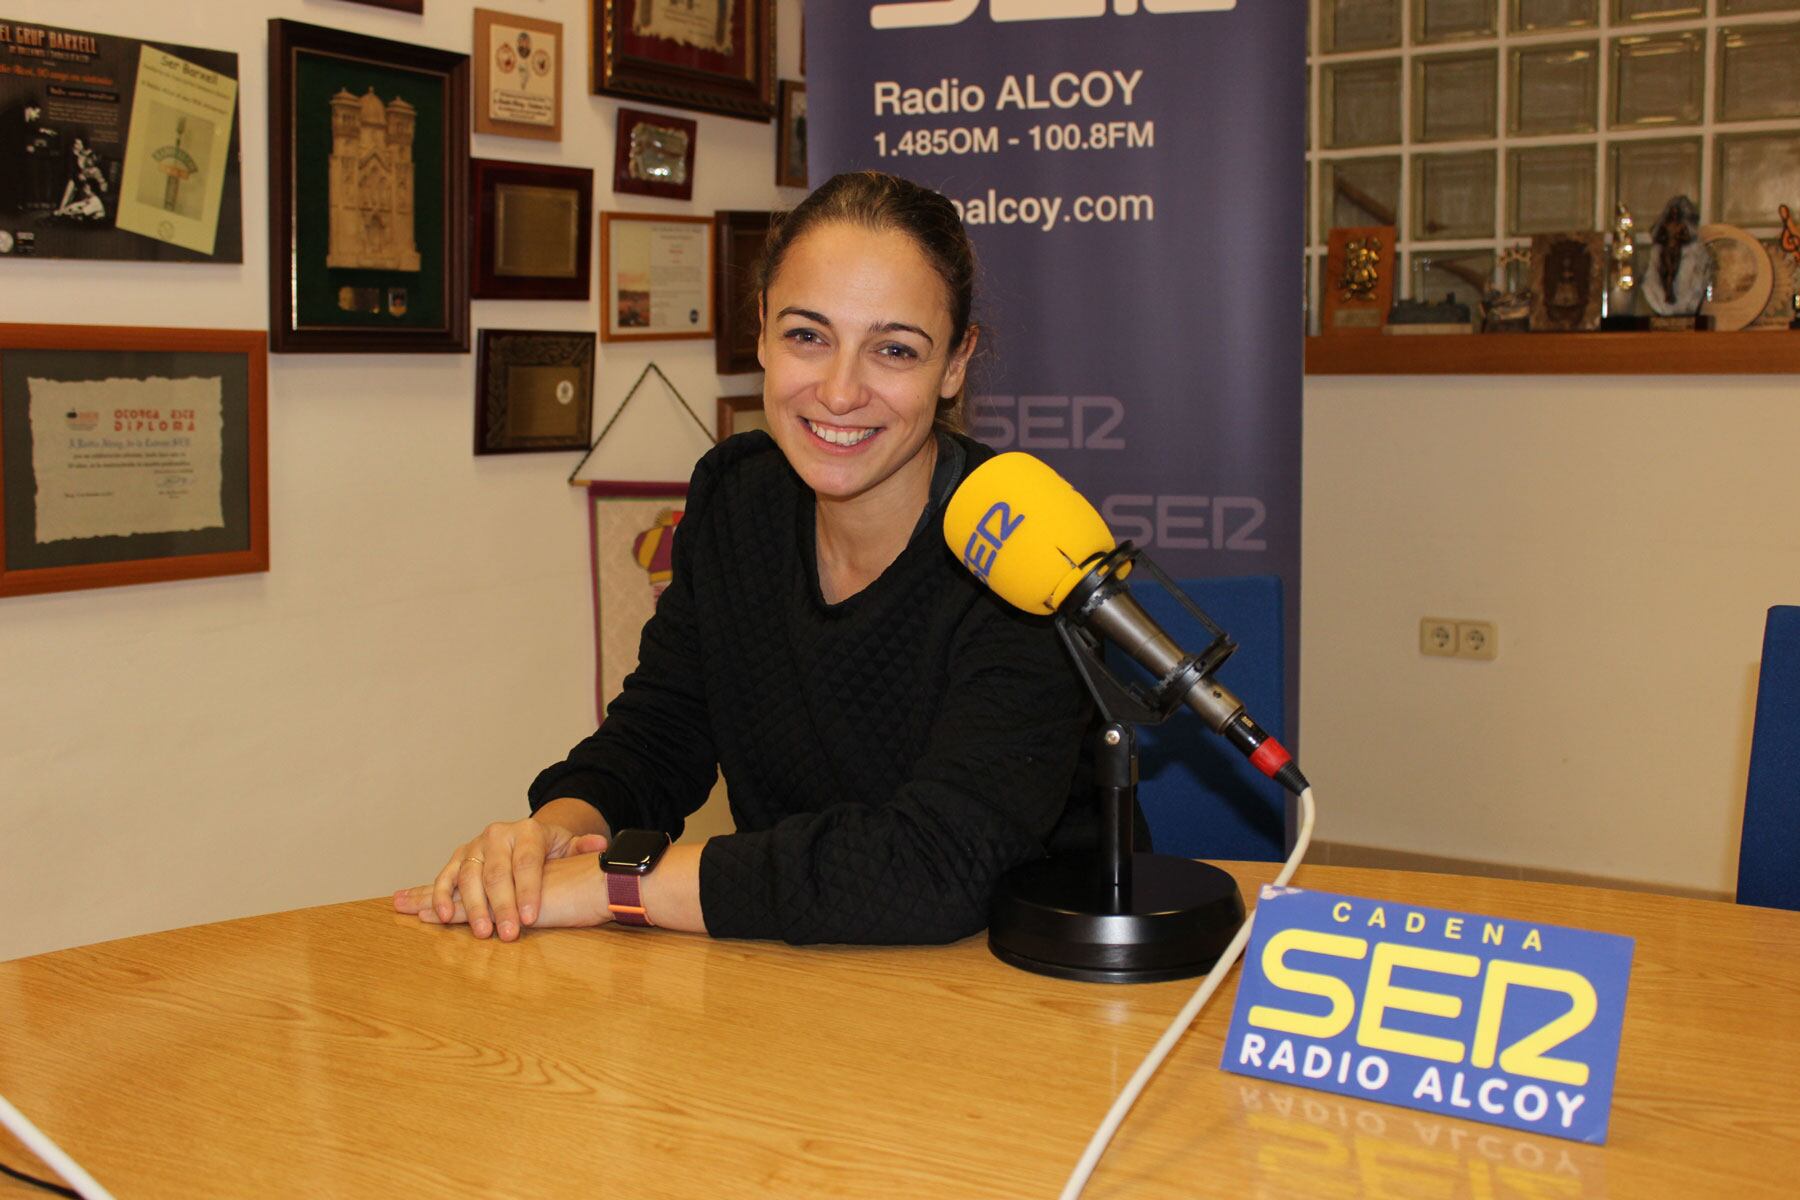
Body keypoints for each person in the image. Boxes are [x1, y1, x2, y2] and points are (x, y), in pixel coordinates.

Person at [395, 171, 1104, 945]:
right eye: (807, 335)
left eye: (894, 349)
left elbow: (936, 865)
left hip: (1010, 992)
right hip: (785, 972)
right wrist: (554, 834)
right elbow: (662, 730)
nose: (839, 391)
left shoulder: (1019, 554)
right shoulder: (738, 497)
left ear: (956, 364)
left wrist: (619, 887)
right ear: (762, 329)